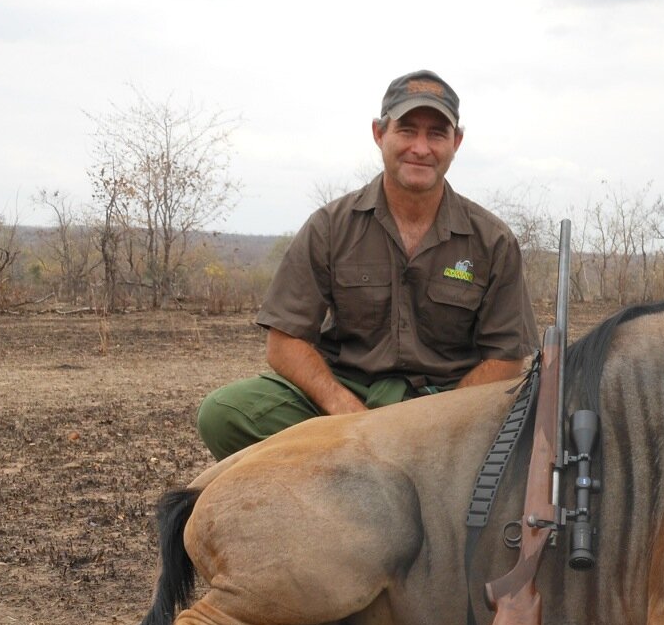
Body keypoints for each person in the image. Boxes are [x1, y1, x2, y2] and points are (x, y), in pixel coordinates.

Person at [198, 70, 539, 460]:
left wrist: (438, 421)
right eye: (407, 130)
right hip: (348, 396)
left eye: (437, 134)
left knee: (532, 437)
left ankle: (373, 469)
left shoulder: (492, 240)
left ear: (456, 142)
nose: (421, 148)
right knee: (223, 414)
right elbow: (283, 343)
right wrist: (349, 416)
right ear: (380, 134)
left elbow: (506, 358)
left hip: (446, 403)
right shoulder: (330, 226)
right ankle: (361, 473)